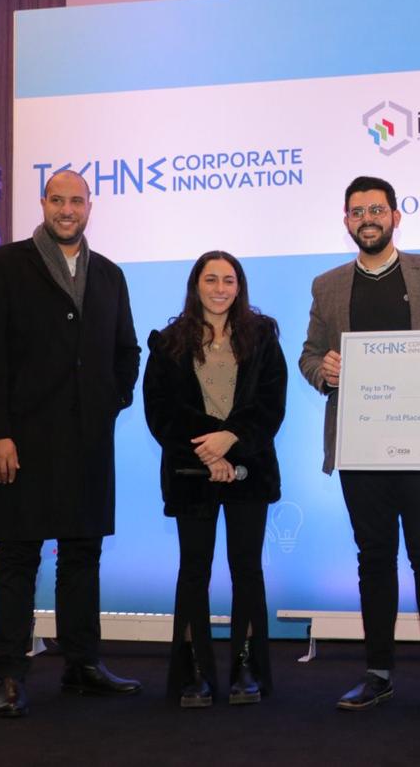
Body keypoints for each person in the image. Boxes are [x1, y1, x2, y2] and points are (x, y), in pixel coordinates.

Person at [0, 170, 141, 718]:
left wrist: (111, 401)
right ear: (43, 203)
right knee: (18, 556)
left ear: (90, 206)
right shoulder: (3, 266)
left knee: (83, 555)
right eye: (58, 200)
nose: (67, 210)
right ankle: (10, 674)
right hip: (19, 442)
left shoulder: (109, 274)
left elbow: (127, 351)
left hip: (88, 443)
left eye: (76, 201)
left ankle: (82, 665)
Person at [299, 175, 420, 718]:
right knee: (373, 560)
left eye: (377, 210)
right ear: (346, 221)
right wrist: (324, 371)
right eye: (357, 212)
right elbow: (308, 355)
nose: (367, 219)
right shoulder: (327, 285)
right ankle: (377, 674)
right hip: (360, 445)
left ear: (396, 217)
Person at [143, 250, 287, 708]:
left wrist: (231, 441)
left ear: (239, 287)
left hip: (249, 470)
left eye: (229, 280)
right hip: (190, 471)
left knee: (247, 570)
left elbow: (271, 406)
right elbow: (161, 414)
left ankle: (247, 669)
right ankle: (195, 674)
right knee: (194, 571)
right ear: (196, 285)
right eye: (211, 279)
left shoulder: (262, 337)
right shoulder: (167, 343)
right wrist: (210, 452)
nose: (220, 288)